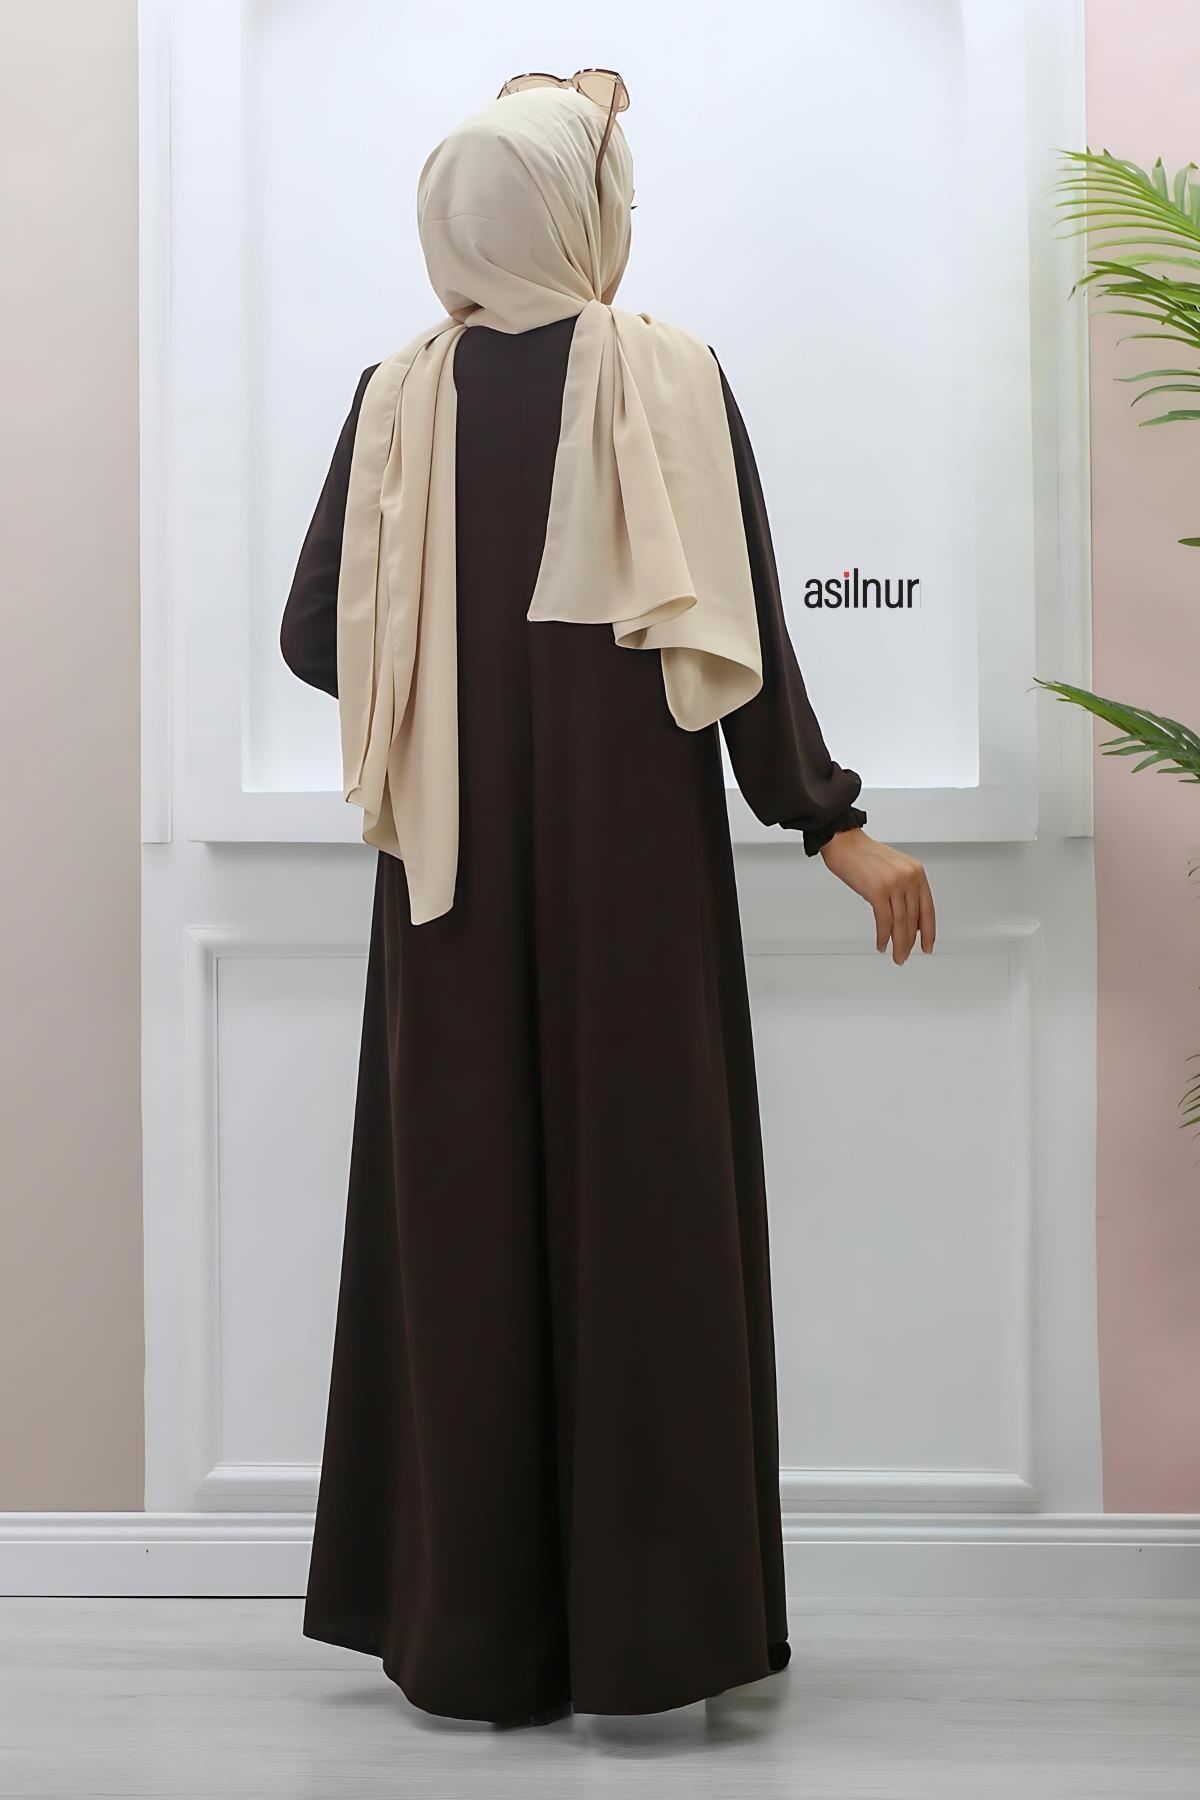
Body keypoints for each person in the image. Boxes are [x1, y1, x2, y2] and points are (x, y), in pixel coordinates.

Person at [280, 71, 935, 1728]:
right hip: (631, 887)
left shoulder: (395, 394)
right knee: (647, 1227)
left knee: (462, 1233)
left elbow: (309, 632)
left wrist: (441, 673)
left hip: (443, 891)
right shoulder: (669, 372)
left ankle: (472, 1642)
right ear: (582, 214)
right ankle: (652, 1646)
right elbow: (746, 624)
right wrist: (832, 827)